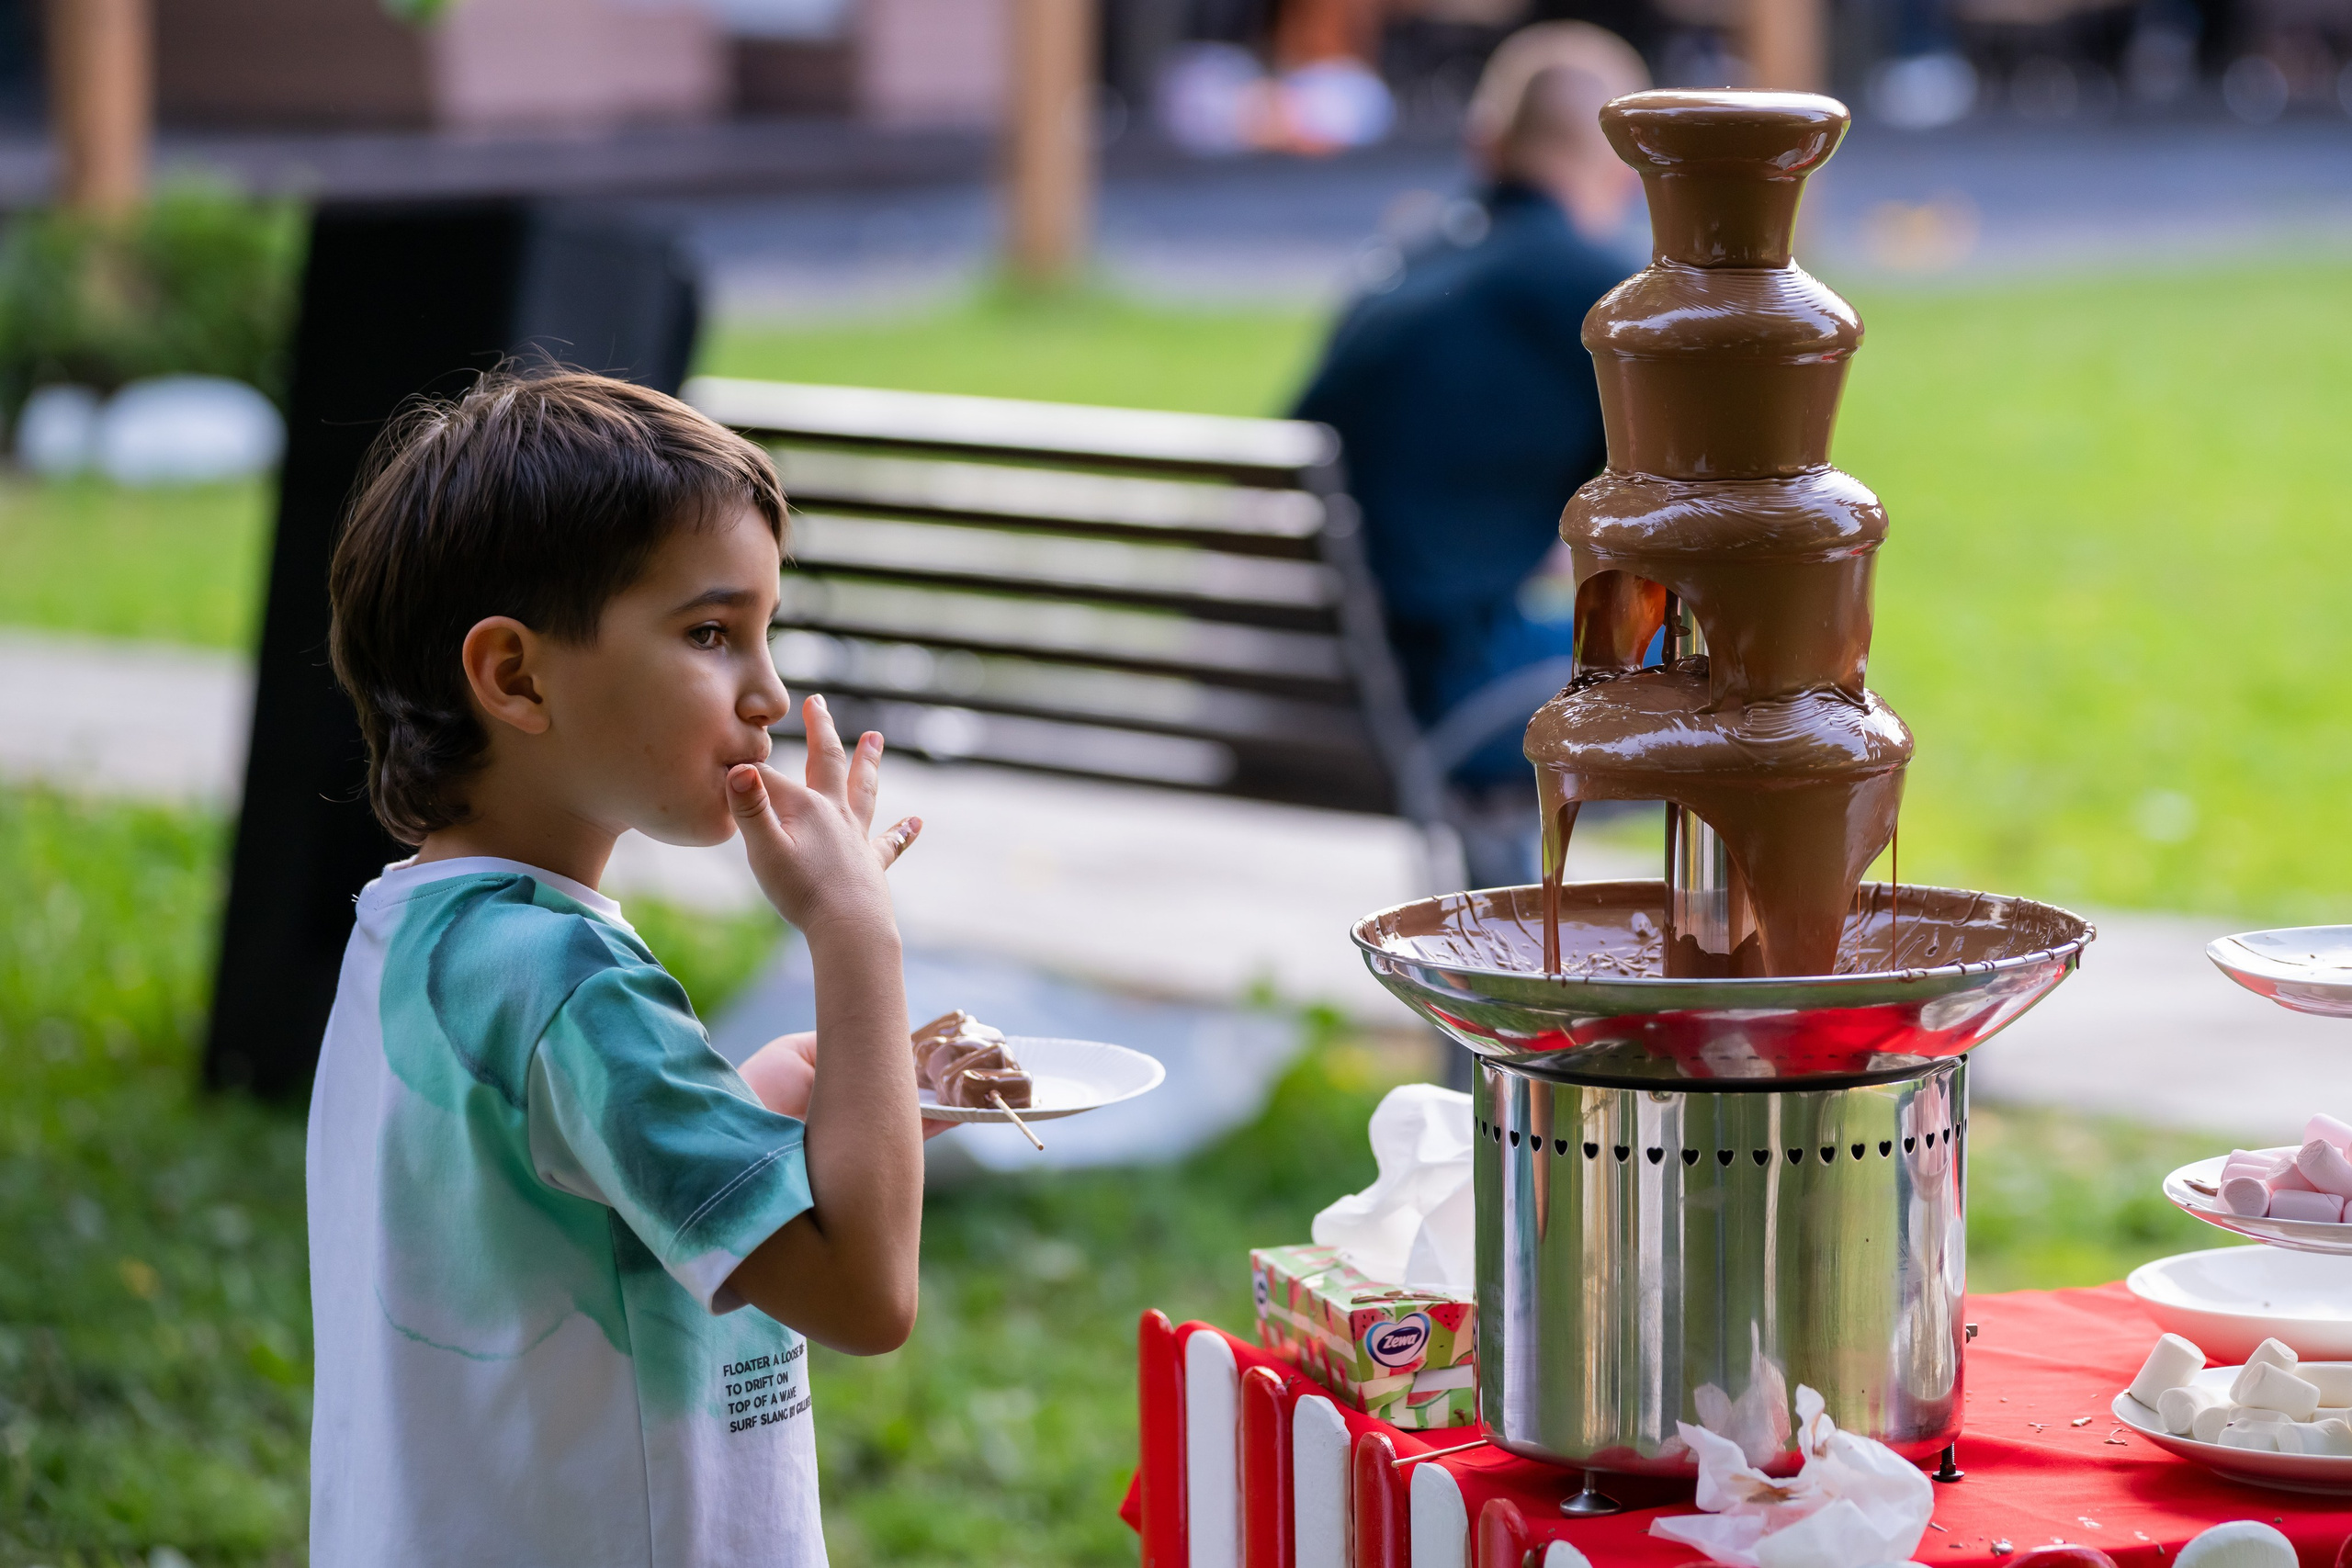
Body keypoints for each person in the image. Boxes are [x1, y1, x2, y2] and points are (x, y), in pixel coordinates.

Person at [310, 370, 929, 1566]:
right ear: (516, 676)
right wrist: (855, 931)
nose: (766, 693)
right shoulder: (571, 978)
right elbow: (865, 1292)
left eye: (763, 631)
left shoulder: (421, 931)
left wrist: (759, 1105)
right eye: (710, 633)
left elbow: (555, 1197)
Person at [1292, 23, 1651, 884]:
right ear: (1624, 176)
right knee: (1749, 689)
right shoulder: (1594, 295)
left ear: (1485, 143)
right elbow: (1655, 536)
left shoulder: (1405, 262)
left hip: (1302, 684)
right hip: (1435, 697)